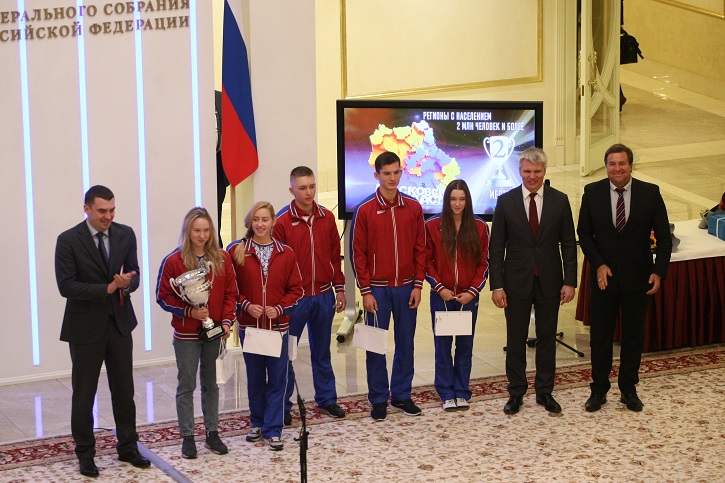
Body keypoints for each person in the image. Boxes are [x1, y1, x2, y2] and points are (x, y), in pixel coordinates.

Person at [55, 185, 151, 477]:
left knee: (124, 390)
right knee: (84, 393)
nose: (108, 216)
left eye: (112, 210)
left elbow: (135, 273)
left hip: (119, 324)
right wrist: (106, 288)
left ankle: (128, 447)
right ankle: (85, 453)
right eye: (101, 211)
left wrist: (128, 282)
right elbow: (66, 286)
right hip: (84, 327)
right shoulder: (68, 240)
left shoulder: (126, 234)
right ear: (86, 209)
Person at [578, 143, 671, 412]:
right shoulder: (592, 192)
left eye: (622, 163)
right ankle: (599, 389)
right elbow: (584, 233)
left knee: (633, 337)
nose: (617, 169)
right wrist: (598, 264)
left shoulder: (650, 193)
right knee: (600, 337)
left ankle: (628, 389)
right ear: (606, 166)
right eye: (612, 164)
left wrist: (658, 271)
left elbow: (664, 237)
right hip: (604, 279)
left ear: (631, 165)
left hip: (638, 278)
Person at [489, 147, 577, 415]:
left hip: (550, 281)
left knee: (547, 338)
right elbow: (496, 247)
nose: (532, 176)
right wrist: (497, 285)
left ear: (545, 171)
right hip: (515, 282)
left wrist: (570, 281)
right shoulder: (506, 202)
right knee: (515, 339)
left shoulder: (560, 200)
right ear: (520, 171)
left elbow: (568, 244)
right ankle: (516, 392)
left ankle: (545, 391)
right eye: (527, 171)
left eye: (537, 171)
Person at [350, 151, 426, 421]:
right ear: (377, 175)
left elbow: (421, 249)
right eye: (386, 173)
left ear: (401, 173)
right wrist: (365, 291)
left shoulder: (414, 207)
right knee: (375, 346)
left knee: (406, 343)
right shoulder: (364, 210)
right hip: (377, 291)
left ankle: (402, 395)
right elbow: (357, 254)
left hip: (407, 288)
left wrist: (418, 285)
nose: (392, 178)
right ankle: (379, 398)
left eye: (396, 172)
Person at [156, 207, 237, 459]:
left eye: (206, 230)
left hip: (214, 332)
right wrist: (188, 312)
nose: (202, 236)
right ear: (188, 231)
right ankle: (188, 436)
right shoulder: (173, 261)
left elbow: (231, 294)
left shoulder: (222, 259)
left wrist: (226, 322)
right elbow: (163, 296)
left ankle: (212, 433)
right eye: (197, 231)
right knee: (187, 385)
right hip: (186, 336)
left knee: (211, 384)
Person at [227, 201, 303, 451]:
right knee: (255, 379)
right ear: (250, 222)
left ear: (273, 222)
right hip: (250, 329)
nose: (260, 224)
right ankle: (257, 423)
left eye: (265, 219)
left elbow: (296, 290)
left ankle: (274, 428)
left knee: (278, 380)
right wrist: (246, 305)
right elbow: (229, 290)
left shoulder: (286, 253)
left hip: (278, 329)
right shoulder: (236, 251)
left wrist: (280, 308)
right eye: (256, 219)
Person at [275, 166, 346, 425]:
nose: (308, 192)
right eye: (303, 188)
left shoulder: (327, 217)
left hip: (323, 296)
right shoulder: (281, 222)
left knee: (322, 351)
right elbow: (277, 265)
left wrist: (340, 288)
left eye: (312, 187)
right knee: (287, 354)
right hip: (295, 301)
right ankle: (283, 405)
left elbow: (334, 256)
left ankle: (327, 399)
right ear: (292, 190)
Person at [425, 180, 490, 411]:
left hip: (467, 298)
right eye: (453, 199)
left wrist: (472, 291)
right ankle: (445, 392)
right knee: (442, 347)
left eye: (462, 199)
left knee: (464, 346)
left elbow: (484, 263)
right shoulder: (432, 225)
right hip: (441, 297)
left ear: (468, 201)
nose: (457, 204)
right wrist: (439, 288)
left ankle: (462, 391)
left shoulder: (480, 227)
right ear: (446, 200)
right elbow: (426, 262)